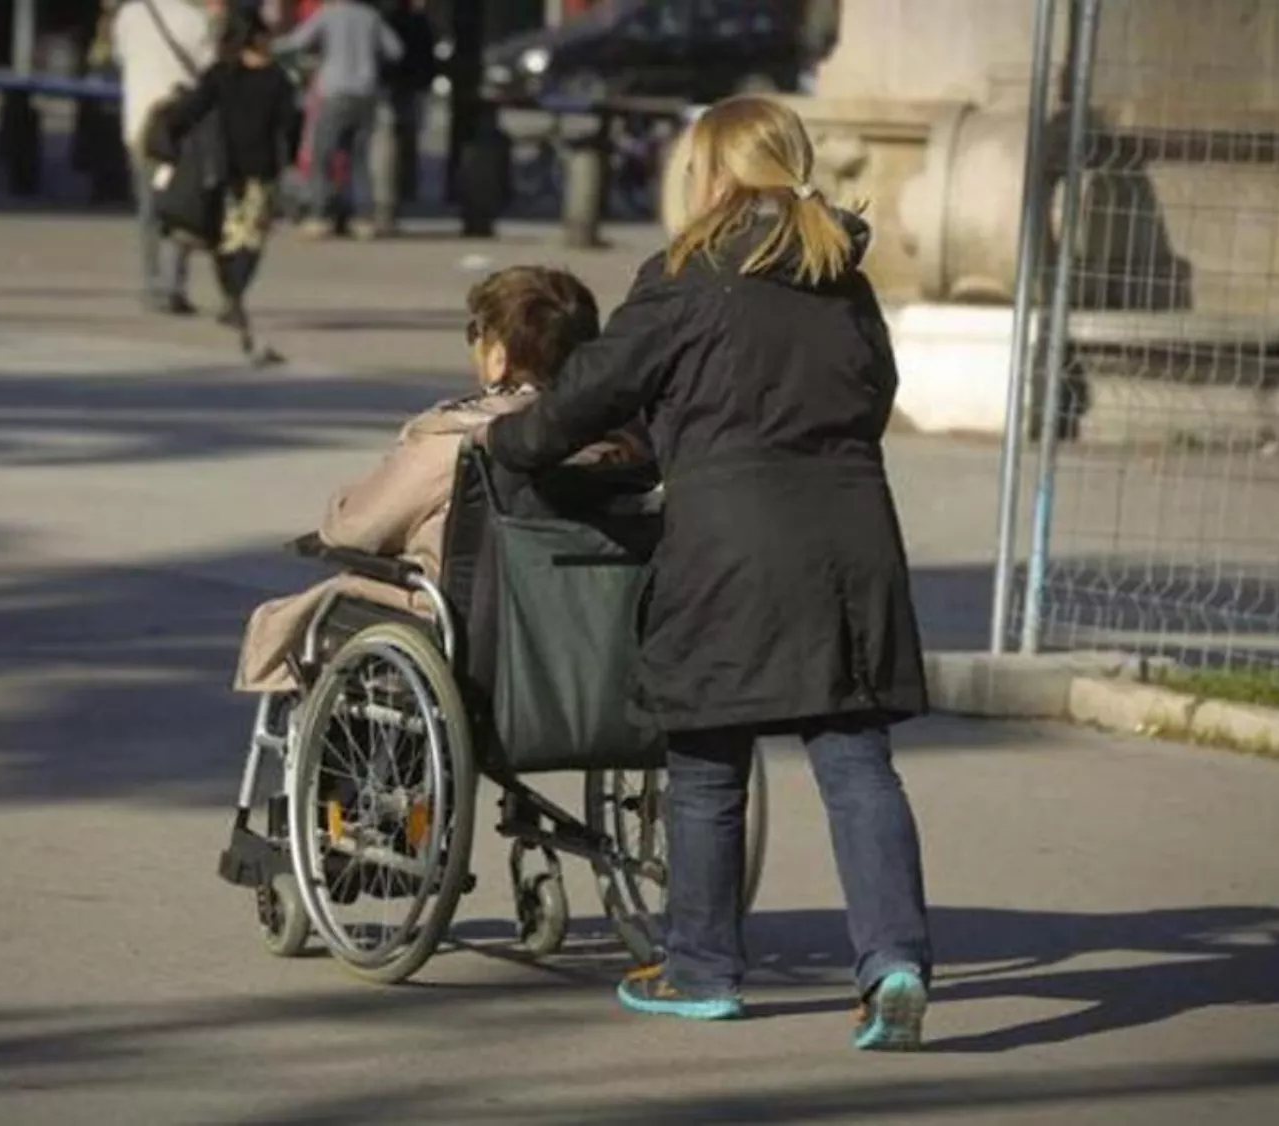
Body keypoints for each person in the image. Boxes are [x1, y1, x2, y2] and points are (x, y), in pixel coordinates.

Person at [480, 96, 934, 1051]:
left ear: (717, 174)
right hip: (854, 538)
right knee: (856, 764)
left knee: (706, 767)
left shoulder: (691, 274)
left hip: (729, 544)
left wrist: (515, 441)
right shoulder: (841, 277)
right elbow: (876, 393)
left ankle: (701, 969)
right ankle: (893, 963)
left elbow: (593, 389)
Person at [235, 266, 620, 693]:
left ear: (499, 357)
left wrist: (337, 513)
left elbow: (356, 528)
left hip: (471, 647)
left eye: (477, 333)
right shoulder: (614, 443)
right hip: (585, 648)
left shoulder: (461, 437)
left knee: (306, 623)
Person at [155, 11, 299, 364]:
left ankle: (230, 296)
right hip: (258, 171)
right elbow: (290, 125)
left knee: (224, 237)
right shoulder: (278, 79)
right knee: (248, 240)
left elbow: (190, 109)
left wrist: (168, 135)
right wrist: (288, 162)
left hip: (220, 169)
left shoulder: (221, 74)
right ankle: (233, 296)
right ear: (258, 39)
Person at [112, 0, 216, 315]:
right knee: (180, 205)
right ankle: (171, 285)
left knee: (148, 208)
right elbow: (209, 70)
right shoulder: (196, 20)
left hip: (139, 124)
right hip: (180, 127)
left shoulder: (128, 15)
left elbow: (121, 57)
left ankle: (152, 282)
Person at [274, 0, 401, 239]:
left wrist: (270, 46)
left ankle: (320, 215)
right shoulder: (370, 16)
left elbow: (297, 42)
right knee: (359, 157)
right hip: (366, 92)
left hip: (335, 91)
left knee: (323, 155)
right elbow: (395, 50)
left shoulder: (328, 14)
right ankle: (362, 217)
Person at [382, 0, 437, 211]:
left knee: (393, 136)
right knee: (409, 136)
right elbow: (428, 55)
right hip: (414, 85)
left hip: (397, 84)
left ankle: (397, 184)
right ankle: (407, 184)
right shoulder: (420, 22)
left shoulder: (391, 21)